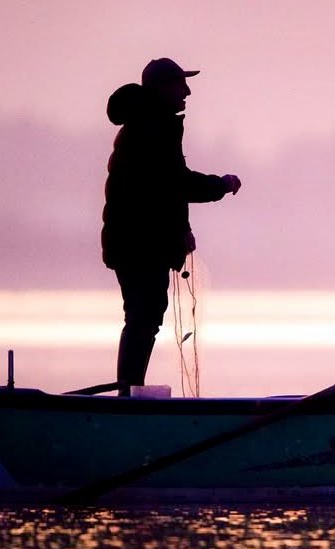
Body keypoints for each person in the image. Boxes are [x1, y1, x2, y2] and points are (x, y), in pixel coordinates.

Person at [102, 58, 242, 395]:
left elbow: (163, 192)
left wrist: (180, 231)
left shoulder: (152, 124)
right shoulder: (152, 127)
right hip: (138, 243)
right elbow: (174, 183)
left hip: (138, 241)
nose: (187, 92)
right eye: (180, 84)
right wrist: (219, 185)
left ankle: (129, 392)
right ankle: (128, 396)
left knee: (145, 316)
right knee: (143, 316)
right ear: (162, 88)